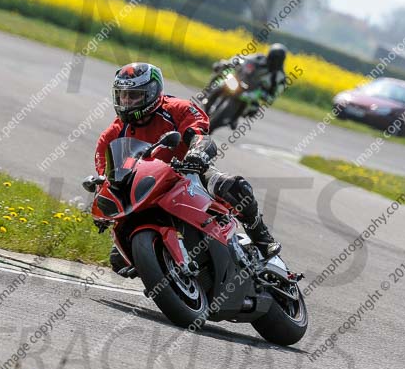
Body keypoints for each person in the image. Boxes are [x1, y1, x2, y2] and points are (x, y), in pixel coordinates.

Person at [94, 62, 281, 276]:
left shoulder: (178, 108)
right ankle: (167, 275)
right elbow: (106, 177)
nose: (127, 101)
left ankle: (262, 238)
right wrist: (103, 204)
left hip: (188, 172)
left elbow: (200, 134)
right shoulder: (110, 135)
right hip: (145, 189)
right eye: (123, 96)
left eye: (134, 95)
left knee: (233, 187)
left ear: (152, 92)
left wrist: (197, 153)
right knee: (119, 258)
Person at [206, 43, 288, 117]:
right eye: (274, 57)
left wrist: (268, 97)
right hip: (239, 81)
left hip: (253, 92)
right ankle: (207, 96)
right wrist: (228, 63)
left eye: (278, 59)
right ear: (270, 54)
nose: (275, 60)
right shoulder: (258, 58)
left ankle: (235, 117)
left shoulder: (280, 75)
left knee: (253, 109)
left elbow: (278, 90)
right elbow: (242, 58)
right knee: (222, 81)